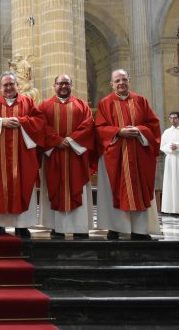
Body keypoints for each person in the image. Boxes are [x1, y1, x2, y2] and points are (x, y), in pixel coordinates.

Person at [95, 69, 161, 240]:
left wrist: (139, 130)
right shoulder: (105, 103)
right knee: (114, 191)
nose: (121, 83)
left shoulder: (141, 101)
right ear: (112, 84)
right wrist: (119, 132)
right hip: (115, 156)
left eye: (124, 79)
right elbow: (99, 128)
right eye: (117, 80)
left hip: (139, 154)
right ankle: (116, 228)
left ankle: (140, 230)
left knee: (139, 191)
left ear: (129, 80)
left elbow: (153, 125)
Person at [0, 72, 45, 238]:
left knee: (23, 184)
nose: (8, 88)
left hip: (22, 157)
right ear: (0, 87)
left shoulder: (28, 102)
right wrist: (0, 122)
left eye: (11, 84)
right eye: (5, 85)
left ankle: (21, 225)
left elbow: (40, 122)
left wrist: (22, 122)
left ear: (17, 85)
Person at [38, 74, 94, 239]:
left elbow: (88, 125)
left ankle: (80, 227)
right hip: (54, 155)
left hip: (76, 156)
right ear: (54, 85)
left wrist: (70, 140)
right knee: (55, 188)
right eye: (60, 83)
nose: (64, 86)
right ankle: (57, 227)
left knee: (78, 188)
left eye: (67, 83)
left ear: (72, 85)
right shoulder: (44, 106)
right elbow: (41, 126)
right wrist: (56, 141)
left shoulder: (82, 105)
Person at [161, 111, 179, 214]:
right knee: (171, 183)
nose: (173, 120)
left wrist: (178, 146)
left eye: (175, 118)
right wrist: (171, 147)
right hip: (170, 160)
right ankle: (171, 209)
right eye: (171, 118)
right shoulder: (167, 132)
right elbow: (162, 146)